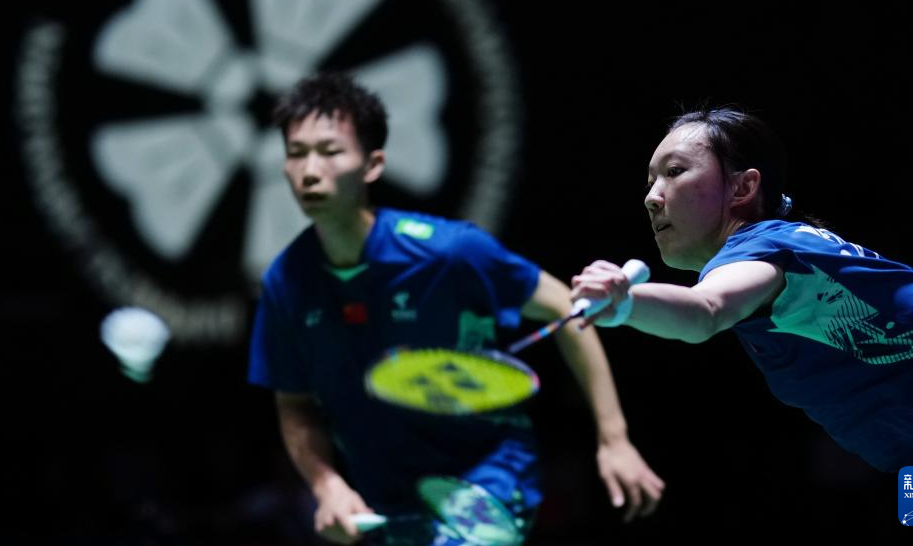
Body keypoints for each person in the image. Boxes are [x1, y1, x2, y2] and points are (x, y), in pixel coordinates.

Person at [247, 71, 665, 545]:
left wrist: (614, 439)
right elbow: (294, 402)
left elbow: (569, 313)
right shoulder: (285, 283)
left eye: (329, 151)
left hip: (487, 476)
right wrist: (327, 486)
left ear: (372, 164)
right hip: (385, 497)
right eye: (296, 153)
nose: (309, 170)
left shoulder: (448, 252)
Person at [570, 105, 913, 519]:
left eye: (674, 172)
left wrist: (626, 303)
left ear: (743, 188)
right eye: (650, 182)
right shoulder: (774, 272)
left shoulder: (763, 247)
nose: (651, 197)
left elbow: (705, 311)